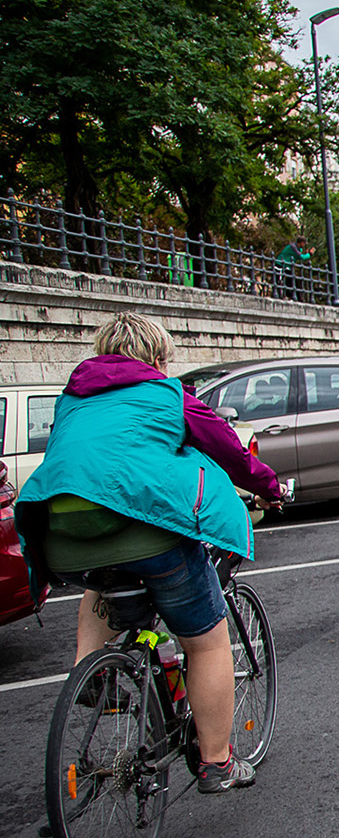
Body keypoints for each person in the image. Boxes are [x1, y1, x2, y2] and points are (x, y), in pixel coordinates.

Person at [16, 313, 282, 793]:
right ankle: (217, 761)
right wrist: (270, 487)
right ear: (157, 358)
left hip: (68, 543)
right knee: (207, 642)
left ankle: (89, 670)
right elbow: (229, 452)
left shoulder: (71, 401)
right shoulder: (167, 395)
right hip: (149, 536)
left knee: (100, 584)